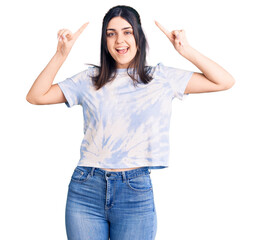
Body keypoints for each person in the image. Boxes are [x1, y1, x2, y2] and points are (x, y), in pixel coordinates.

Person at [26, 5, 235, 240]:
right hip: (86, 188)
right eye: (111, 33)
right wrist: (61, 55)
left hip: (134, 190)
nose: (119, 40)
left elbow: (224, 81)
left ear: (138, 35)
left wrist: (186, 51)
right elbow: (36, 96)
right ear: (105, 41)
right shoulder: (88, 80)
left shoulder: (161, 78)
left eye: (127, 32)